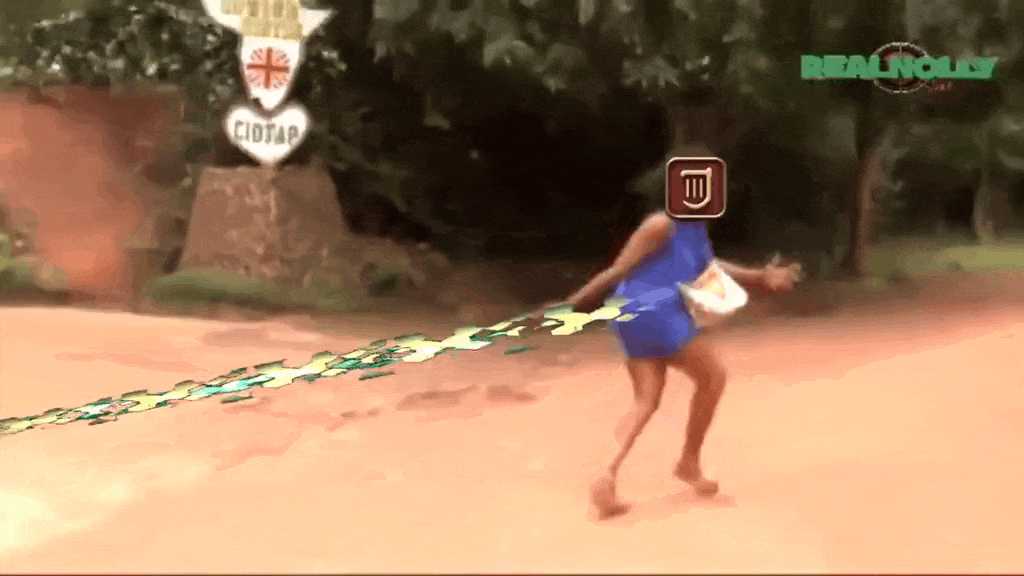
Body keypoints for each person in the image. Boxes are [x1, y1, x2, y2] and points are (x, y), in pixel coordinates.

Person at [562, 211, 802, 520]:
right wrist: (573, 302)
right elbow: (619, 267)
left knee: (646, 400)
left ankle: (605, 474)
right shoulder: (662, 224)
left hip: (635, 317)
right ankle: (688, 462)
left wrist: (759, 276)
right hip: (657, 314)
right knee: (712, 377)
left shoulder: (693, 228)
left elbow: (710, 267)